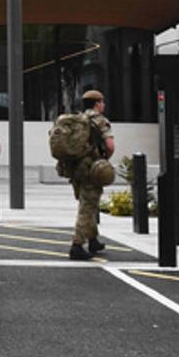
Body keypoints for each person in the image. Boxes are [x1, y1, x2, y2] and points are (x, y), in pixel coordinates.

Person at [68, 90, 115, 260]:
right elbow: (109, 146)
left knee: (89, 203)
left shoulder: (77, 120)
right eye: (102, 102)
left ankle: (93, 239)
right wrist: (103, 160)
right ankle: (77, 244)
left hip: (75, 169)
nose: (104, 105)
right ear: (97, 103)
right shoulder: (100, 121)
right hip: (92, 169)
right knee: (87, 207)